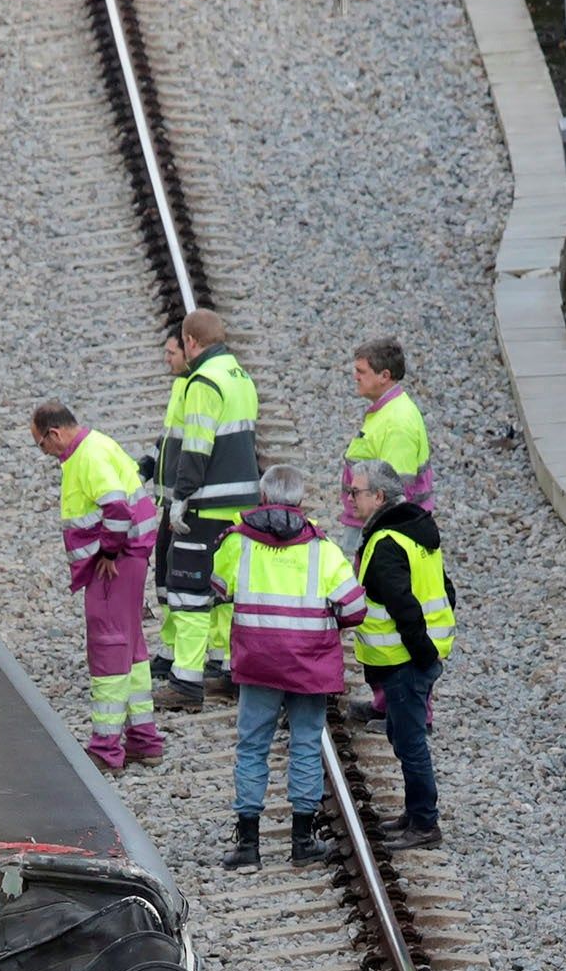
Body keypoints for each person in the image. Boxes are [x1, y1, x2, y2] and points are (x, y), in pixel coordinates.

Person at [212, 468, 366, 869]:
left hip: (258, 662)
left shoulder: (238, 542)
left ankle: (248, 846)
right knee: (304, 746)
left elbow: (217, 587)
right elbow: (354, 608)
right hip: (308, 665)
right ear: (300, 501)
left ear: (262, 496)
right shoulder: (322, 549)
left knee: (252, 747)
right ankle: (302, 842)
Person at [31, 402, 164, 769]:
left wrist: (108, 552)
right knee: (132, 646)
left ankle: (106, 748)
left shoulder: (87, 457)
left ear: (54, 434)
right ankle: (144, 738)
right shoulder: (97, 445)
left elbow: (117, 508)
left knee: (109, 646)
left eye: (41, 445)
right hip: (130, 558)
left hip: (115, 565)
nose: (45, 452)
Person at [153, 310, 261, 712]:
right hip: (238, 506)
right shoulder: (240, 377)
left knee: (189, 592)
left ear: (191, 342)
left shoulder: (203, 381)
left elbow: (197, 445)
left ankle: (186, 681)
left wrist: (181, 496)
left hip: (207, 503)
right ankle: (226, 668)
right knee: (223, 592)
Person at [343, 462, 451, 846]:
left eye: (356, 492)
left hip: (405, 662)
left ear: (379, 496)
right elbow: (445, 588)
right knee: (403, 738)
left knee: (410, 743)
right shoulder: (412, 531)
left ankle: (424, 823)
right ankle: (415, 815)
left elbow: (404, 607)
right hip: (411, 660)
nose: (350, 498)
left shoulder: (387, 542)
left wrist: (421, 655)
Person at [343, 337, 433, 521]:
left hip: (375, 525)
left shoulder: (397, 423)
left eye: (361, 371)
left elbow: (396, 494)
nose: (355, 377)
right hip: (367, 521)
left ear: (384, 376)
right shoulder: (389, 410)